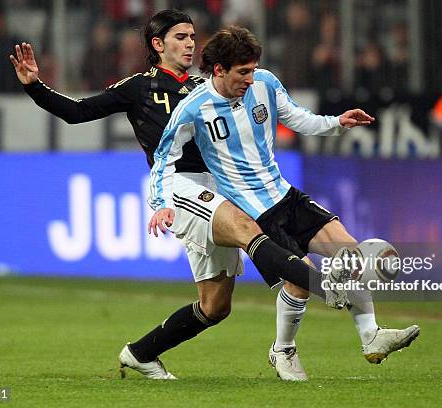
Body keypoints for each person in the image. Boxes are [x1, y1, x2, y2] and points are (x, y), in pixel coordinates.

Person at [10, 9, 348, 381]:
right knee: (248, 229)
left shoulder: (205, 88)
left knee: (216, 306)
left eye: (192, 37)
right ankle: (320, 285)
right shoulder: (138, 87)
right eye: (181, 37)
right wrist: (34, 86)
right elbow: (77, 112)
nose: (190, 43)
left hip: (218, 188)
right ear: (158, 44)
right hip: (181, 190)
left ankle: (140, 352)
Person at [149, 26, 420, 381]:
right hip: (255, 213)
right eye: (242, 72)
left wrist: (336, 123)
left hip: (286, 195)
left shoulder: (265, 83)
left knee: (350, 254)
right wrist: (159, 203)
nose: (250, 77)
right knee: (300, 282)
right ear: (218, 70)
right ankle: (283, 351)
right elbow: (163, 157)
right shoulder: (193, 108)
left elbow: (297, 117)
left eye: (253, 68)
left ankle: (371, 335)